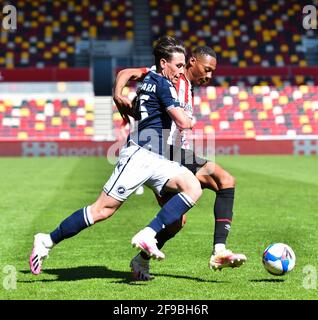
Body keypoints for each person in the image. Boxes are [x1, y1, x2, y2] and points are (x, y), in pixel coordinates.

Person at [29, 36, 202, 275]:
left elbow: (125, 76)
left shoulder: (149, 80)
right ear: (164, 63)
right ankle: (46, 240)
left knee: (193, 187)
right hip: (141, 156)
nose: (182, 71)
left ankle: (148, 234)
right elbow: (183, 122)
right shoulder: (163, 85)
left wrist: (118, 94)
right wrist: (192, 118)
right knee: (102, 210)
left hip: (158, 158)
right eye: (179, 66)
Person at [114, 46, 247, 281]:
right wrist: (118, 94)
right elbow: (127, 72)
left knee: (178, 221)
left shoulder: (188, 85)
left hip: (178, 152)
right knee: (222, 181)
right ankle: (215, 251)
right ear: (191, 62)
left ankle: (215, 251)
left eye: (212, 72)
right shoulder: (168, 75)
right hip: (162, 152)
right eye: (206, 69)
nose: (209, 75)